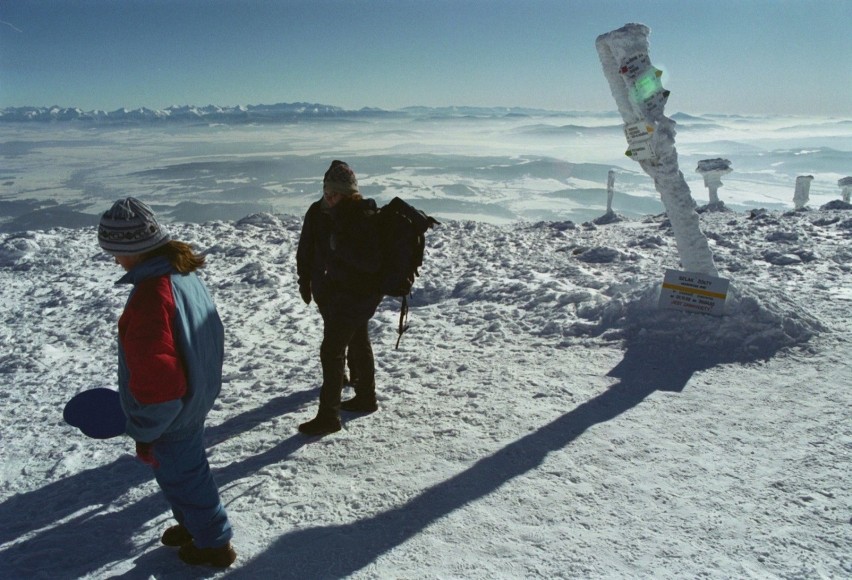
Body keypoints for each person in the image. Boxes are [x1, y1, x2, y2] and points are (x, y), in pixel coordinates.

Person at [98, 197, 236, 568]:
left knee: (185, 478)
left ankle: (214, 543)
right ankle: (194, 525)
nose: (115, 260)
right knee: (183, 472)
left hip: (171, 413)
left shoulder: (150, 296)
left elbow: (158, 380)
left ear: (135, 248)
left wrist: (145, 428)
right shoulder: (183, 275)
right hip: (194, 397)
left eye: (116, 251)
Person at [296, 160, 383, 435]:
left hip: (356, 294)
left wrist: (339, 248)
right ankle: (366, 396)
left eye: (335, 194)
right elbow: (306, 248)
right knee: (357, 339)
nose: (329, 198)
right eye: (327, 192)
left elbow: (370, 262)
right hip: (332, 293)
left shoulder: (362, 216)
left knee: (332, 350)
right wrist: (305, 281)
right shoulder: (317, 212)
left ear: (349, 194)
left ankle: (329, 416)